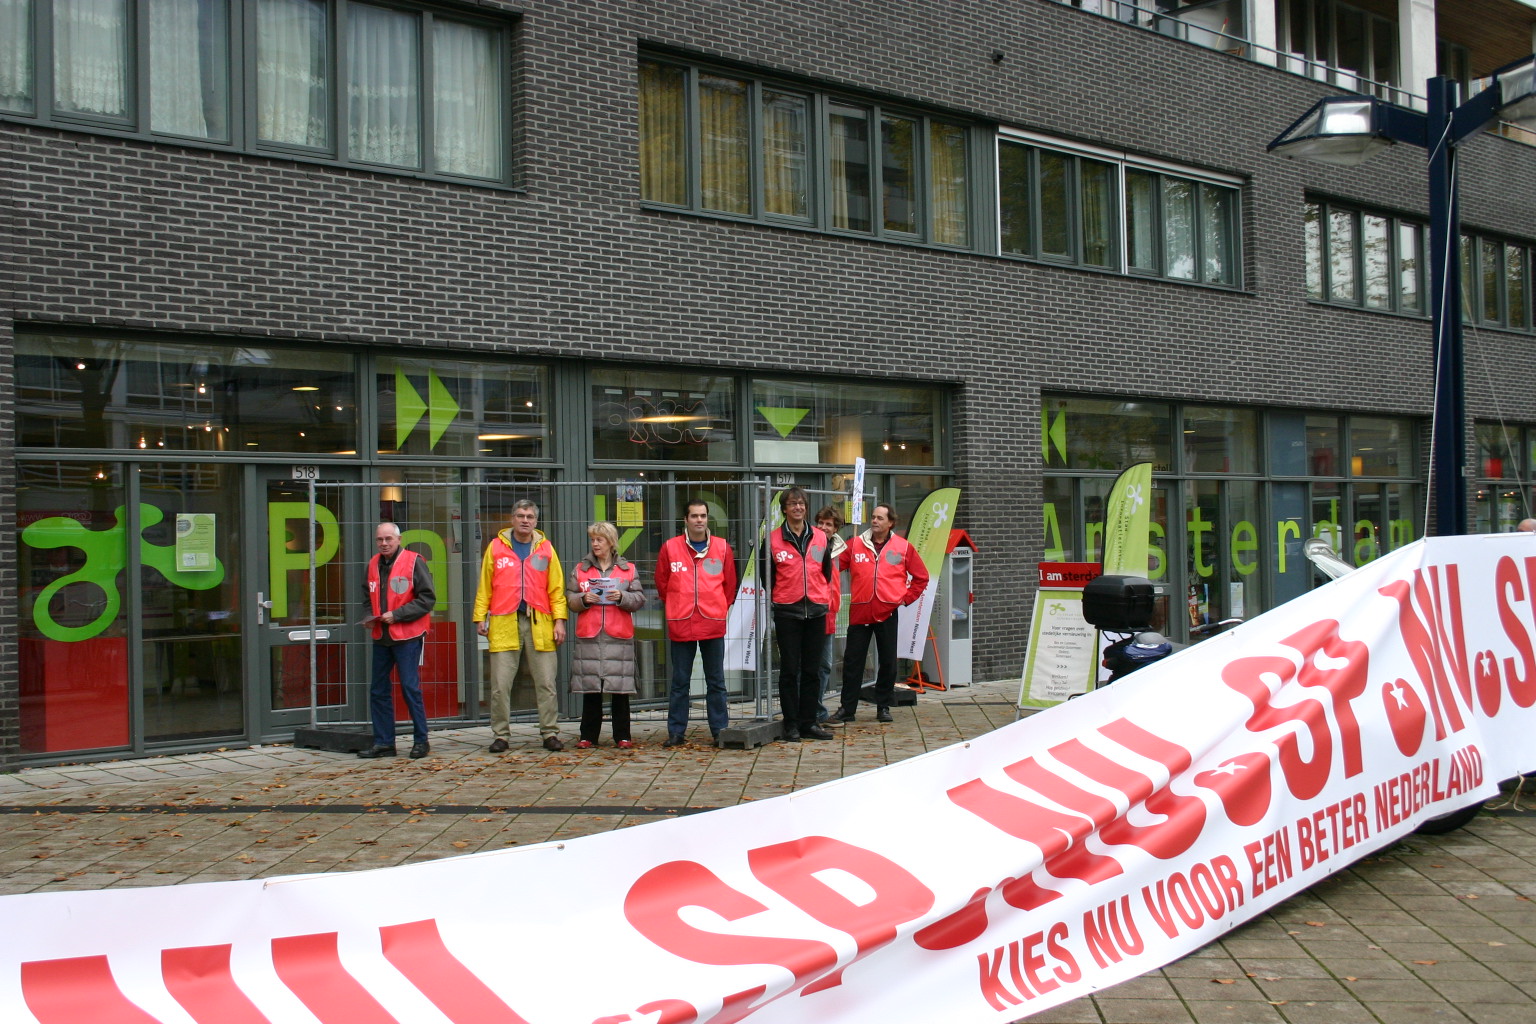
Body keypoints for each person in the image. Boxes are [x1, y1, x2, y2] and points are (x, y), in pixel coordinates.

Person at [474, 499, 568, 752]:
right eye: (520, 515)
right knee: (500, 685)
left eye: (530, 516)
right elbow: (485, 585)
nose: (525, 520)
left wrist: (560, 621)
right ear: (512, 519)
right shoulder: (496, 547)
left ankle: (550, 733)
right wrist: (480, 616)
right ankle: (501, 735)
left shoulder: (546, 548)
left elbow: (556, 588)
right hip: (504, 621)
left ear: (536, 521)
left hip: (540, 622)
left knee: (546, 683)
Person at [837, 503, 929, 724]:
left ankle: (883, 706)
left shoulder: (903, 547)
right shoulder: (855, 544)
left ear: (891, 523)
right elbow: (833, 566)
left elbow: (921, 577)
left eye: (880, 518)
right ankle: (847, 709)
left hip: (887, 611)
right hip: (860, 611)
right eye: (873, 517)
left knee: (888, 662)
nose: (874, 521)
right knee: (852, 662)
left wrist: (905, 598)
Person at [655, 499, 737, 747]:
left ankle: (720, 730)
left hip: (712, 621)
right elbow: (662, 583)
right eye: (694, 516)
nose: (699, 520)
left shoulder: (722, 547)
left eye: (703, 515)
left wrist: (720, 607)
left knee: (716, 681)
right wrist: (677, 603)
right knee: (680, 681)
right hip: (681, 621)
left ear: (707, 518)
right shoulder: (670, 548)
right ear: (686, 520)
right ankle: (676, 732)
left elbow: (729, 584)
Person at [360, 522, 436, 759]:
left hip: (408, 636)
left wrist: (397, 615)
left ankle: (421, 741)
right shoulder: (372, 564)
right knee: (378, 690)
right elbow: (367, 595)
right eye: (380, 539)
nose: (384, 543)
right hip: (381, 635)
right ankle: (384, 743)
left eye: (388, 539)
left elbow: (427, 599)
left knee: (410, 688)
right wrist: (369, 616)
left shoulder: (414, 562)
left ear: (399, 539)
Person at [566, 522, 646, 749]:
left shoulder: (628, 569)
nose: (595, 544)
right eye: (593, 539)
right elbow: (569, 598)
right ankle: (588, 736)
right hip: (590, 635)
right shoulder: (580, 569)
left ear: (611, 542)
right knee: (591, 688)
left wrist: (622, 597)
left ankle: (623, 736)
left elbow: (639, 599)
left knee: (620, 689)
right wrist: (583, 599)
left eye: (599, 539)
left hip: (618, 635)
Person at [767, 488, 835, 741]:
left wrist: (818, 594)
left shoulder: (820, 537)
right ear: (784, 509)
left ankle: (810, 722)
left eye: (802, 503)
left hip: (816, 610)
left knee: (812, 670)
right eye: (793, 503)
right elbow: (767, 577)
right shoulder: (772, 539)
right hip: (788, 611)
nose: (798, 507)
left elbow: (826, 570)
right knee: (789, 670)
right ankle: (791, 724)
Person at [814, 504, 848, 722]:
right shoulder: (811, 546)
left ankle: (816, 710)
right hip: (815, 612)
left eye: (828, 524)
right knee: (811, 666)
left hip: (830, 613)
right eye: (820, 523)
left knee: (824, 666)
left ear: (836, 529)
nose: (824, 527)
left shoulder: (838, 550)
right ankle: (811, 711)